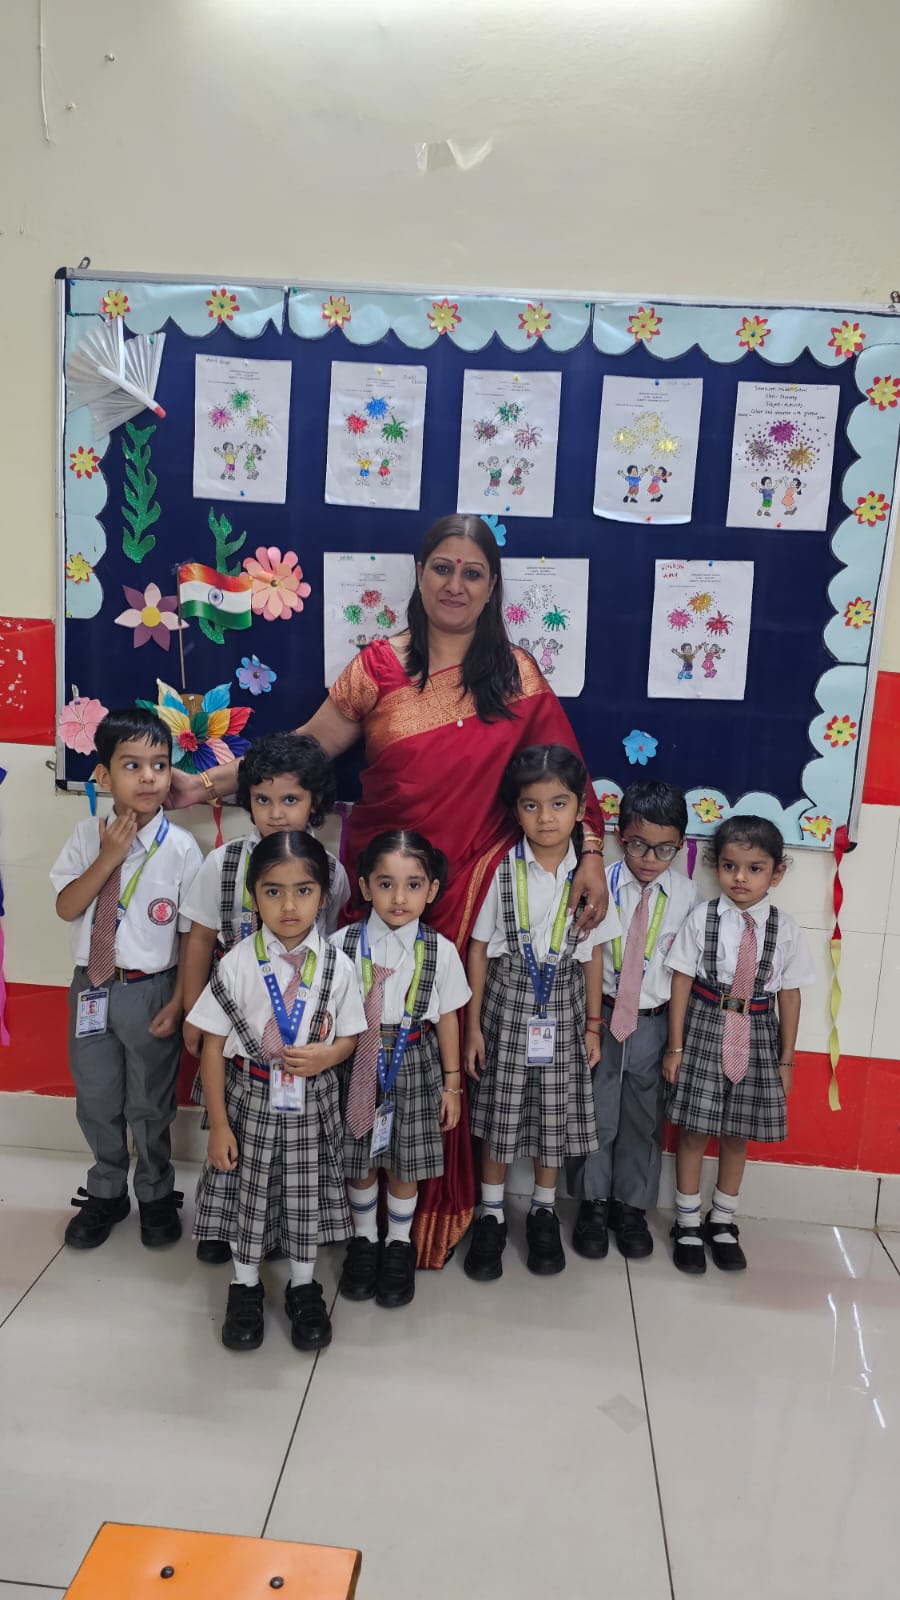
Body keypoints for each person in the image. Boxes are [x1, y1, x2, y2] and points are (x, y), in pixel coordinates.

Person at [166, 514, 609, 1267]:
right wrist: (204, 784)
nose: (455, 584)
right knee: (368, 1032)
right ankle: (347, 1211)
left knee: (451, 1047)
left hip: (469, 887)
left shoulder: (517, 676)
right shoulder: (379, 666)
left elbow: (565, 774)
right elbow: (305, 750)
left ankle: (449, 1211)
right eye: (443, 568)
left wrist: (590, 853)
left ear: (492, 586)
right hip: (381, 885)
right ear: (420, 573)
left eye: (472, 572)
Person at [186, 832, 366, 1352]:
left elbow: (350, 1036)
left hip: (312, 1104)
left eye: (303, 891)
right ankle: (244, 1286)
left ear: (324, 895)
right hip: (249, 1100)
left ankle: (303, 1285)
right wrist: (219, 1125)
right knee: (249, 1193)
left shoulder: (338, 965)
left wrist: (329, 1056)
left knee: (303, 1196)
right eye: (273, 891)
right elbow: (213, 1048)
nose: (289, 906)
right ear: (253, 895)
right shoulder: (237, 963)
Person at [181, 732, 350, 1265]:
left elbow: (329, 947)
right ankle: (226, 1221)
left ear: (314, 803)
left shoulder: (331, 871)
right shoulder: (223, 863)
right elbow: (200, 939)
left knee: (290, 1142)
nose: (276, 813)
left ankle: (279, 1227)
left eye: (291, 799)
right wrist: (191, 1011)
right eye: (263, 799)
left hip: (299, 1035)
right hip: (237, 1022)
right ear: (247, 801)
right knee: (232, 1126)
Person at [462, 746, 619, 1282]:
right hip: (506, 1002)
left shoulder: (590, 877)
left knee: (554, 1113)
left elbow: (593, 954)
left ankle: (543, 1211)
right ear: (515, 810)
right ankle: (490, 1213)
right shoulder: (500, 870)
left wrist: (593, 1026)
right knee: (500, 1111)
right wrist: (473, 1027)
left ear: (581, 810)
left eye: (559, 804)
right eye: (531, 805)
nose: (545, 818)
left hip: (565, 1006)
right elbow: (479, 949)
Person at [50, 709, 203, 1250]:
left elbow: (191, 936)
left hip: (151, 991)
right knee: (96, 1097)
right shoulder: (84, 836)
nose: (147, 777)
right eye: (131, 765)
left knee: (150, 1102)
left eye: (159, 765)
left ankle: (156, 1191)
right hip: (91, 987)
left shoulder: (182, 848)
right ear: (103, 775)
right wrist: (108, 856)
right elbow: (67, 907)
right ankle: (107, 1189)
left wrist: (180, 1001)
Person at [663, 816, 816, 1274]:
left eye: (755, 868)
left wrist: (787, 1059)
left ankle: (723, 1220)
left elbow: (790, 994)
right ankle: (687, 1221)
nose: (740, 878)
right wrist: (675, 1047)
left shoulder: (785, 929)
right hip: (705, 1027)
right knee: (693, 1130)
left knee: (737, 1132)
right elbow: (681, 981)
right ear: (716, 867)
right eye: (730, 866)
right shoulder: (702, 918)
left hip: (758, 1032)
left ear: (777, 872)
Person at [331, 831, 471, 1310]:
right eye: (386, 883)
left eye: (413, 885)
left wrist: (452, 1085)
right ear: (364, 887)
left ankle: (398, 1243)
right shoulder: (340, 945)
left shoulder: (441, 950)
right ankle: (365, 1239)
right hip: (355, 1060)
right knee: (360, 1158)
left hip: (413, 1061)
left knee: (404, 1161)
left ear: (431, 890)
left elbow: (448, 1018)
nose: (399, 897)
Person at [567, 781, 701, 1262]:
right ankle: (592, 1203)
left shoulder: (687, 895)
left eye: (664, 849)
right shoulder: (599, 883)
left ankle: (630, 1206)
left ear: (680, 845)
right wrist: (590, 1022)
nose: (649, 859)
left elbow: (684, 971)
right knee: (595, 1111)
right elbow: (590, 953)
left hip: (653, 1021)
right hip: (602, 1016)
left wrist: (675, 1045)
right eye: (638, 845)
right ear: (620, 836)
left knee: (643, 1118)